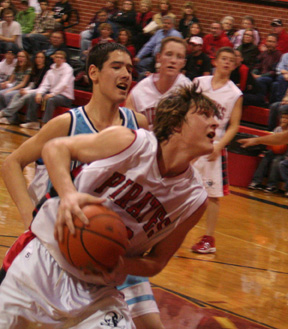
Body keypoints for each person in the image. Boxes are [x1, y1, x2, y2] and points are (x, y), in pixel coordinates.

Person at [0, 83, 219, 328]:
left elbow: (157, 261)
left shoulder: (194, 199)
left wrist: (120, 264)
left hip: (99, 288)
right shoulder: (131, 142)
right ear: (177, 123)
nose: (215, 123)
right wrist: (69, 195)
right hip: (44, 259)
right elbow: (55, 148)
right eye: (204, 115)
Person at [0, 42, 169, 329]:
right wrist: (30, 216)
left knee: (153, 325)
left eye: (129, 68)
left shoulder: (137, 125)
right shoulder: (67, 123)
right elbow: (11, 163)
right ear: (93, 72)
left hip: (112, 246)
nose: (126, 74)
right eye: (116, 67)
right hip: (64, 245)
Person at [191, 47, 243, 254]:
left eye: (231, 60)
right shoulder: (198, 83)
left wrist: (220, 146)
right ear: (215, 60)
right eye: (223, 58)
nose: (227, 62)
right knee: (175, 185)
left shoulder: (235, 93)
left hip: (213, 145)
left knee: (212, 195)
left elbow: (235, 125)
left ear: (234, 65)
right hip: (191, 141)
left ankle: (209, 239)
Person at [126, 36, 190, 130]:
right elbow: (126, 126)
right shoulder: (139, 91)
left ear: (184, 63)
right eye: (169, 54)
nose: (173, 60)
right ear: (158, 57)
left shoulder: (189, 90)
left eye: (179, 57)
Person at [19, 50, 74, 128]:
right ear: (54, 59)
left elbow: (63, 84)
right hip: (52, 94)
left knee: (51, 100)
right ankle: (32, 121)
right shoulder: (50, 70)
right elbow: (44, 84)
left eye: (61, 58)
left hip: (65, 97)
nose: (58, 59)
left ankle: (45, 124)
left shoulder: (68, 70)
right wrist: (39, 93)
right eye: (57, 57)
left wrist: (52, 94)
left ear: (64, 60)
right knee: (33, 95)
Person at [0, 51, 49, 125]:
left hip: (40, 91)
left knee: (11, 95)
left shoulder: (46, 71)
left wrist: (26, 91)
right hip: (29, 89)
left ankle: (6, 114)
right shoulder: (34, 69)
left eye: (41, 57)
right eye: (38, 57)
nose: (39, 59)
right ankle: (8, 116)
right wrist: (25, 90)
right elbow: (31, 84)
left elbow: (42, 87)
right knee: (14, 94)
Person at [247, 110, 288, 192]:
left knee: (276, 161)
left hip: (285, 153)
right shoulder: (278, 129)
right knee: (266, 156)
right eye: (283, 117)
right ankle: (256, 181)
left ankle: (272, 185)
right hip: (275, 151)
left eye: (287, 118)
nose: (284, 120)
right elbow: (272, 142)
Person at [252, 33, 281, 104]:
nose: (270, 44)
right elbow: (257, 65)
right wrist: (253, 73)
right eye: (269, 41)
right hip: (261, 75)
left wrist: (260, 76)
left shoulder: (279, 55)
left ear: (276, 43)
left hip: (271, 78)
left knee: (261, 80)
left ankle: (261, 100)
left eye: (273, 42)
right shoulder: (263, 53)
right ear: (266, 42)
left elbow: (274, 71)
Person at [0, 50, 31, 116]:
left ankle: (12, 117)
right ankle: (2, 113)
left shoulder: (28, 69)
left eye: (23, 57)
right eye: (19, 56)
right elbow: (10, 80)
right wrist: (5, 83)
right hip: (14, 86)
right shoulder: (17, 68)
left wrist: (10, 90)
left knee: (6, 95)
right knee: (0, 93)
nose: (20, 58)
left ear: (26, 59)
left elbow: (23, 84)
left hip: (21, 88)